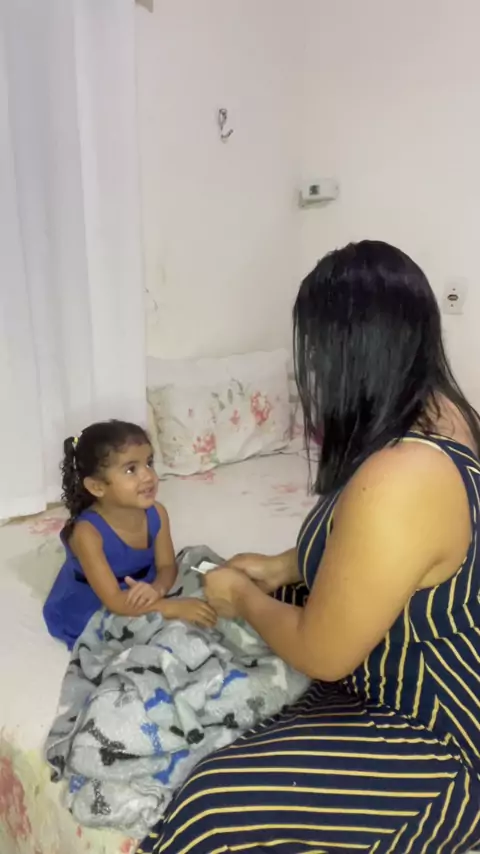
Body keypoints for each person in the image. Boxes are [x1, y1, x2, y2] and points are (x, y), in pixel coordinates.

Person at [137, 241, 480, 854]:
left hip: (438, 730)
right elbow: (394, 551)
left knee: (210, 812)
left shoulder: (401, 476)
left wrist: (244, 598)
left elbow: (325, 654)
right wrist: (280, 567)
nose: (311, 372)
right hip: (423, 660)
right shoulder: (443, 413)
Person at [43, 420, 216, 649]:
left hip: (146, 587)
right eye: (131, 469)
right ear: (97, 487)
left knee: (204, 568)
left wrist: (158, 589)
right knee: (153, 637)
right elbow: (114, 600)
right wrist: (170, 608)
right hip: (101, 602)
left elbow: (166, 566)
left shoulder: (157, 513)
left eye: (149, 463)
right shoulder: (88, 533)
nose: (148, 476)